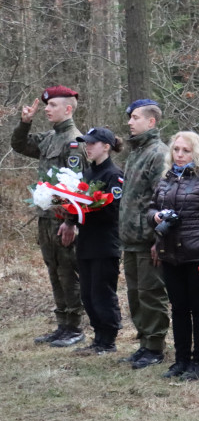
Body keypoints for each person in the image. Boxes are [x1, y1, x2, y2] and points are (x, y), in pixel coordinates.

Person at [150, 132, 199, 381]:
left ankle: (198, 362)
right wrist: (155, 217)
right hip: (171, 255)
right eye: (176, 150)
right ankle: (181, 360)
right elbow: (151, 207)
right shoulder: (166, 179)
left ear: (197, 153)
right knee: (179, 309)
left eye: (186, 150)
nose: (180, 155)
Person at [12, 86, 86, 348]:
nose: (47, 109)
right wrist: (25, 122)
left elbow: (78, 187)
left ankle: (74, 326)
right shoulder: (50, 137)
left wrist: (70, 222)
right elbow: (19, 145)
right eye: (47, 105)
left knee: (68, 270)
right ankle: (62, 324)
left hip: (63, 219)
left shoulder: (75, 141)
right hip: (46, 217)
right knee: (54, 270)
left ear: (68, 109)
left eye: (52, 105)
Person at [119, 99, 171, 369]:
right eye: (130, 117)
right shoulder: (136, 152)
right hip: (130, 239)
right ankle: (144, 343)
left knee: (151, 294)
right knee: (135, 294)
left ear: (151, 122)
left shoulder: (159, 154)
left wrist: (158, 239)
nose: (130, 122)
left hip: (148, 239)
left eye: (135, 118)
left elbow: (163, 201)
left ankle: (155, 346)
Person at [65, 128, 124, 355]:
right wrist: (69, 213)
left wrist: (88, 208)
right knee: (88, 295)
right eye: (86, 143)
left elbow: (113, 211)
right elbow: (76, 206)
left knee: (102, 293)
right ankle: (98, 337)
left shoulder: (114, 175)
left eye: (92, 143)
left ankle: (108, 339)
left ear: (106, 146)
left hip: (105, 244)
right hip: (86, 242)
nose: (87, 147)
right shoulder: (87, 174)